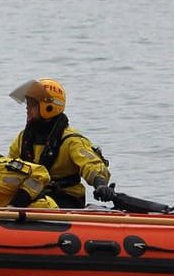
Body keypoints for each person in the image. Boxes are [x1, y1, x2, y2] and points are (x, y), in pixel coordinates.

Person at [8, 78, 115, 207]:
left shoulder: (71, 140)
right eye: (27, 104)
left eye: (32, 105)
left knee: (39, 204)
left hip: (66, 198)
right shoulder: (23, 139)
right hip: (33, 195)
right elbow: (8, 166)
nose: (27, 109)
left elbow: (92, 165)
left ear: (49, 107)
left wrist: (101, 184)